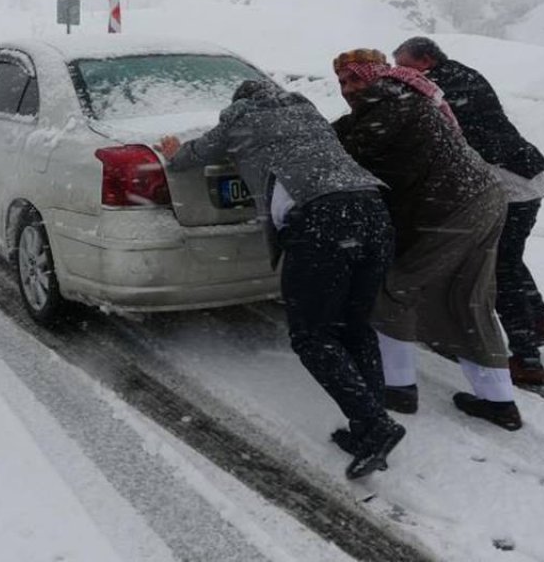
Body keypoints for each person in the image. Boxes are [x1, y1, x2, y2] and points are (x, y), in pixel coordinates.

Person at [157, 78, 404, 478]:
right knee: (356, 327)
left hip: (321, 220)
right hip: (373, 209)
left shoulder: (239, 120)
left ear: (238, 104)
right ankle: (367, 425)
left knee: (311, 335)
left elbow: (191, 156)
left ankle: (375, 424)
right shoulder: (309, 113)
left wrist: (172, 151)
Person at [331, 49, 522, 431]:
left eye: (355, 78)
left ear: (377, 74)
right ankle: (499, 401)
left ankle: (397, 387)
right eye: (342, 82)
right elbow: (349, 134)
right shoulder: (401, 100)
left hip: (452, 209)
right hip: (482, 197)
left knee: (392, 289)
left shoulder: (387, 107)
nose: (349, 89)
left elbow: (349, 154)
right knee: (468, 298)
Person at [393, 37, 544, 386]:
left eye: (402, 63)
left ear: (424, 60)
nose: (398, 72)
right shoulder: (462, 75)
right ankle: (539, 321)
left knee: (500, 267)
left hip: (506, 178)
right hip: (525, 170)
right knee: (510, 256)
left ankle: (528, 359)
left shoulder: (437, 86)